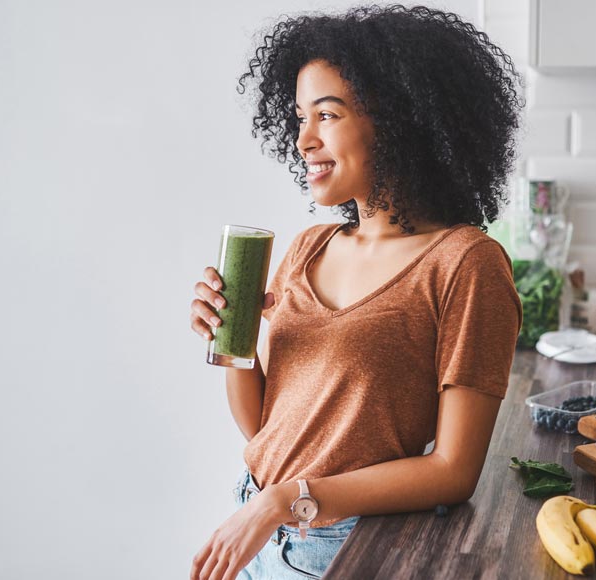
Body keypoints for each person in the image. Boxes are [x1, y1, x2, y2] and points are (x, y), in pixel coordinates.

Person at [188, 5, 523, 579]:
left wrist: (284, 501)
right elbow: (264, 428)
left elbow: (453, 471)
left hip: (341, 546)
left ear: (399, 119)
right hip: (253, 526)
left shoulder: (466, 264)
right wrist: (230, 341)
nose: (304, 138)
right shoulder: (307, 248)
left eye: (327, 114)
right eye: (299, 116)